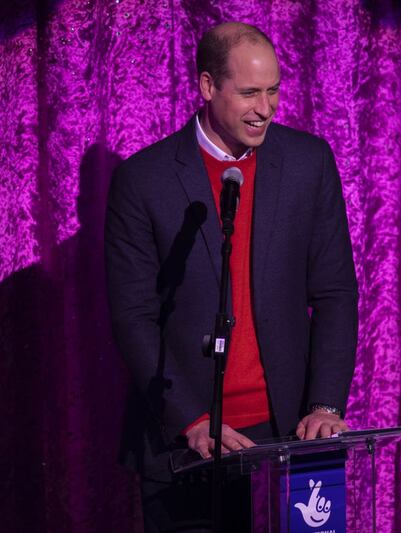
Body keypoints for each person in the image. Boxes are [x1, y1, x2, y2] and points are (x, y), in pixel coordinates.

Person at [105, 21, 358, 532]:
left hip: (291, 432)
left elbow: (334, 292)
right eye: (248, 93)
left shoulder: (308, 162)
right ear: (206, 86)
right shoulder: (144, 180)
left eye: (272, 91)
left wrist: (325, 403)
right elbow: (134, 315)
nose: (264, 108)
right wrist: (190, 418)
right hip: (189, 435)